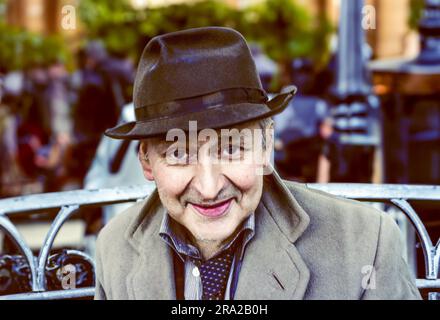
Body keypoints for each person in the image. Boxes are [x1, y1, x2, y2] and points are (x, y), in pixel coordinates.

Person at [94, 27, 421, 300]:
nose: (209, 188)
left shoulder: (364, 243)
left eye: (233, 148)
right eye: (179, 154)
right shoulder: (114, 250)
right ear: (146, 162)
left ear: (265, 148)